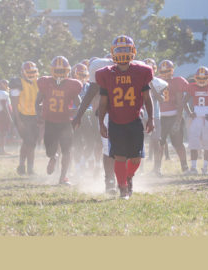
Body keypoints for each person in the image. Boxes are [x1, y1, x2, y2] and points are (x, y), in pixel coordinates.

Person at [96, 35, 154, 199]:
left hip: (134, 120)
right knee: (120, 157)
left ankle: (127, 178)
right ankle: (122, 188)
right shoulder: (106, 74)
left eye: (125, 49)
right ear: (113, 52)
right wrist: (101, 123)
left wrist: (151, 118)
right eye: (119, 50)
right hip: (115, 121)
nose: (122, 53)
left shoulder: (141, 71)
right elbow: (103, 102)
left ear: (133, 51)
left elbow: (147, 99)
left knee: (135, 158)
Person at [72, 57, 117, 194]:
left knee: (124, 149)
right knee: (107, 148)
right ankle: (110, 182)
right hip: (104, 114)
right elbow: (92, 92)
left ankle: (124, 179)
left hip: (125, 113)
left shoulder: (135, 69)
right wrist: (79, 116)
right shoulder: (100, 70)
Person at [36, 56, 82, 186]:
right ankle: (54, 157)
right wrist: (38, 114)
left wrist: (38, 113)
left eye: (62, 71)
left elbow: (78, 104)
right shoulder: (47, 83)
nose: (61, 73)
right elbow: (79, 104)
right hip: (55, 121)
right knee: (52, 151)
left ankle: (63, 177)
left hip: (63, 122)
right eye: (59, 71)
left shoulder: (69, 85)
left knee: (66, 151)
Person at [184, 66, 208, 175]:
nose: (201, 81)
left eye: (204, 78)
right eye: (199, 79)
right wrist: (189, 113)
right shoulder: (192, 87)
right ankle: (193, 168)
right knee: (193, 143)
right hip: (196, 117)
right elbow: (184, 101)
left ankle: (205, 168)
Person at [156, 60, 189, 175]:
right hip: (160, 117)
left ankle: (185, 167)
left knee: (178, 144)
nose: (165, 73)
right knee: (159, 144)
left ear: (172, 70)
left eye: (167, 70)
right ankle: (157, 169)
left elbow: (180, 102)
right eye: (163, 71)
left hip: (173, 116)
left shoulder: (177, 81)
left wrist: (178, 120)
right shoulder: (155, 81)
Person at [9, 61, 39, 175]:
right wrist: (18, 120)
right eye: (29, 72)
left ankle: (23, 166)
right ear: (23, 72)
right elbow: (14, 104)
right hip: (22, 116)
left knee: (30, 143)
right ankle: (28, 168)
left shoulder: (37, 83)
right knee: (29, 142)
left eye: (33, 72)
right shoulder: (18, 83)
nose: (31, 74)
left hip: (34, 116)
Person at [143, 58, 168, 176]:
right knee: (139, 142)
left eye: (151, 68)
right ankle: (139, 168)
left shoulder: (159, 82)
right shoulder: (137, 80)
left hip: (155, 115)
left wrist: (151, 86)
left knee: (156, 141)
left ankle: (157, 168)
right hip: (140, 114)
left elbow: (162, 99)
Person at [0, 79, 12, 155]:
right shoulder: (3, 93)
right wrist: (9, 116)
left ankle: (1, 149)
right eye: (6, 84)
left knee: (3, 132)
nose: (7, 86)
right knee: (3, 132)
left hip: (0, 113)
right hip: (3, 114)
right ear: (2, 84)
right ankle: (1, 150)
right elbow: (4, 105)